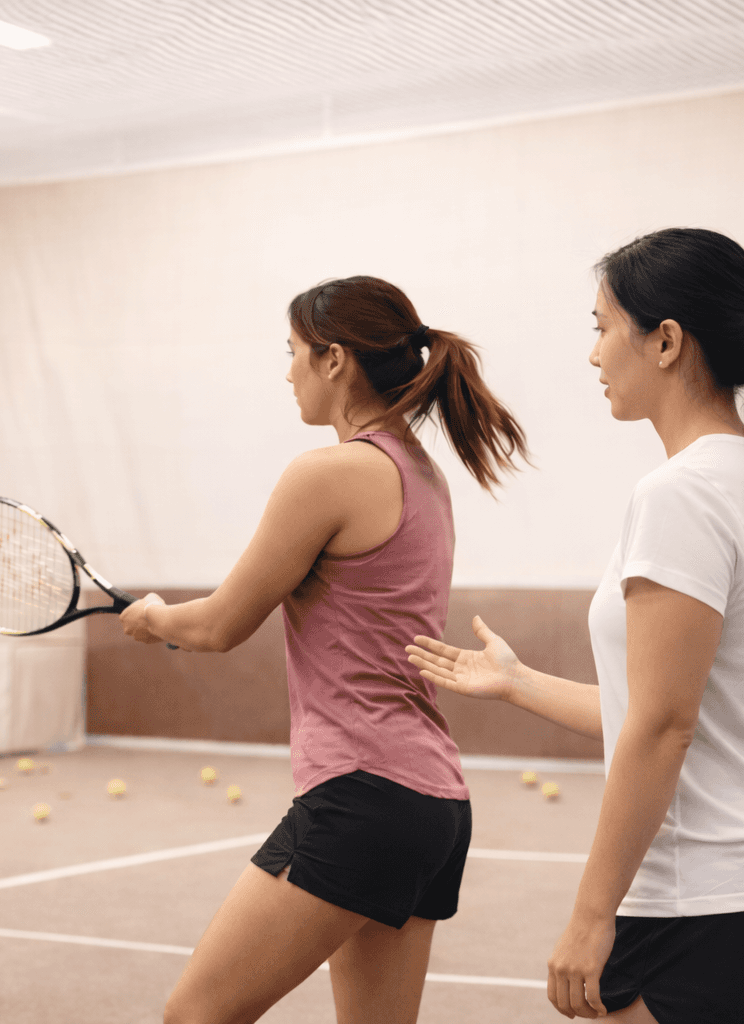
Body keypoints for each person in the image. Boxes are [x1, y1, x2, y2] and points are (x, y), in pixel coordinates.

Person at [408, 227, 744, 1023]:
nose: (592, 354)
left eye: (600, 326)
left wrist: (593, 913)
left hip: (709, 917)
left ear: (665, 342)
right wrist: (517, 684)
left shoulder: (682, 495)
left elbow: (662, 727)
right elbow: (668, 709)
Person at [120, 275, 527, 1024]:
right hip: (433, 805)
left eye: (295, 353)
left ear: (335, 360)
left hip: (362, 797)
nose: (288, 373)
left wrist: (154, 618)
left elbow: (217, 626)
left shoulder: (331, 473)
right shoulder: (423, 476)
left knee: (195, 1016)